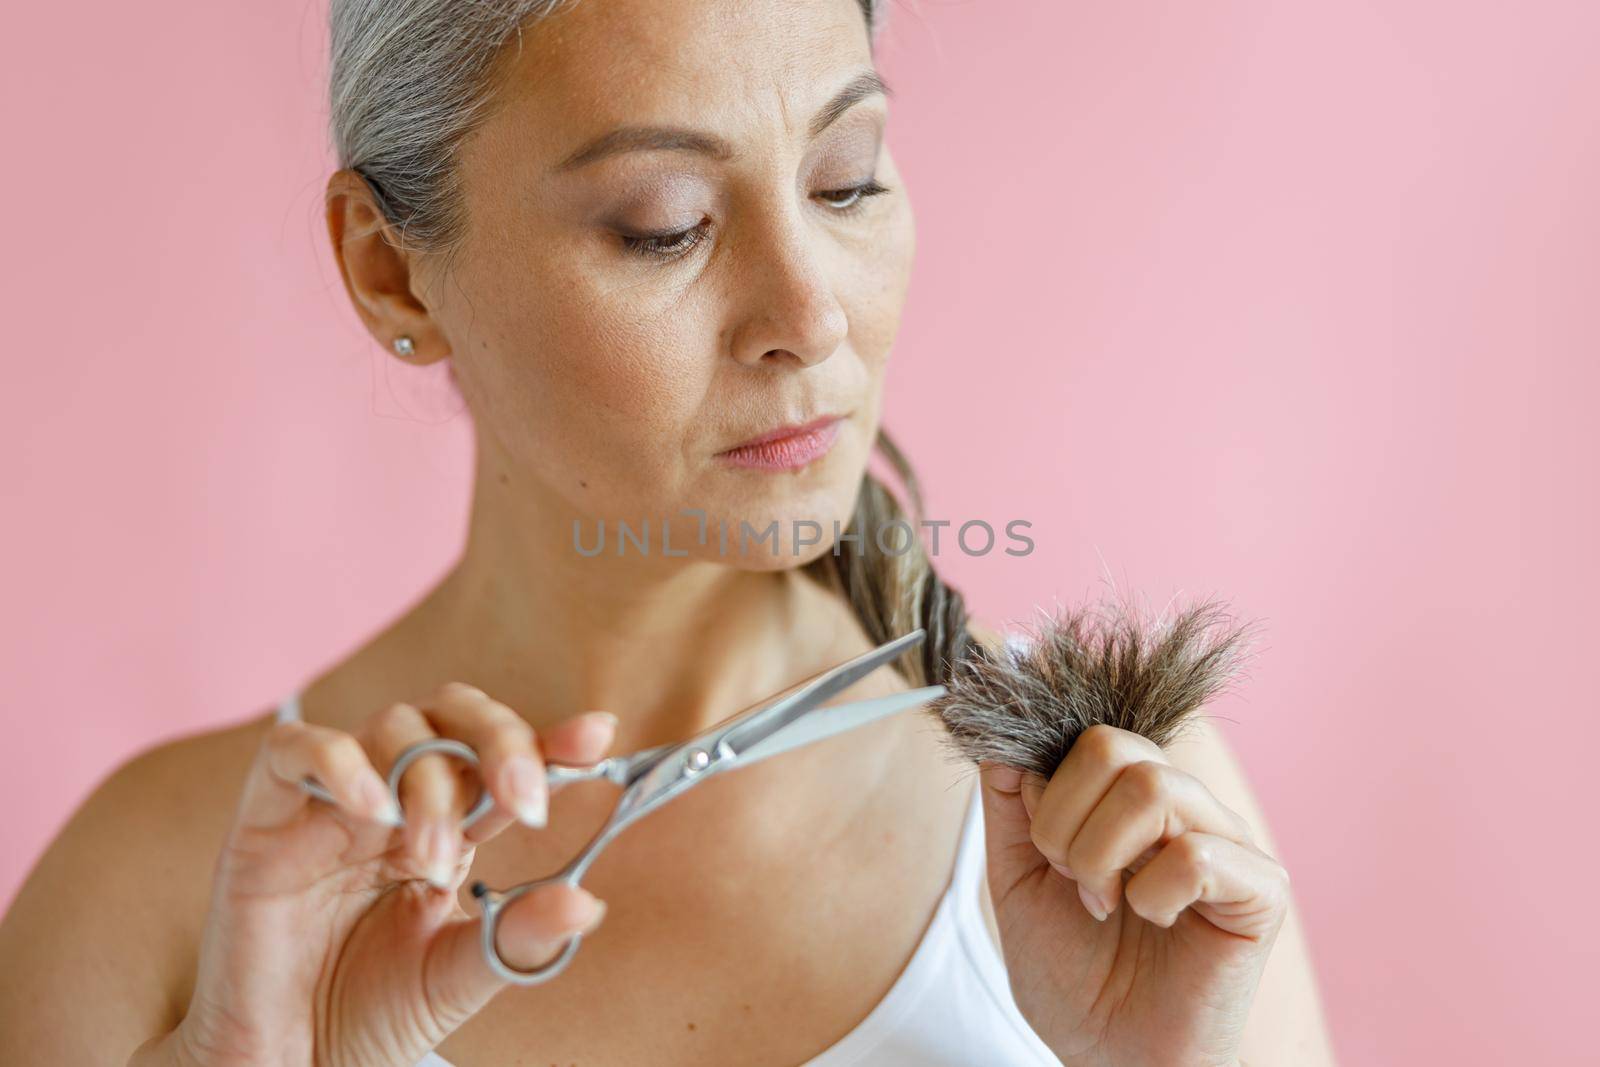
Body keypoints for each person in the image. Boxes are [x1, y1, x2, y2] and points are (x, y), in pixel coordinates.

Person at [0, 1, 1338, 1063]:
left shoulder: (1121, 827)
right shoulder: (162, 897)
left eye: (847, 181)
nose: (809, 316)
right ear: (390, 269)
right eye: (666, 227)